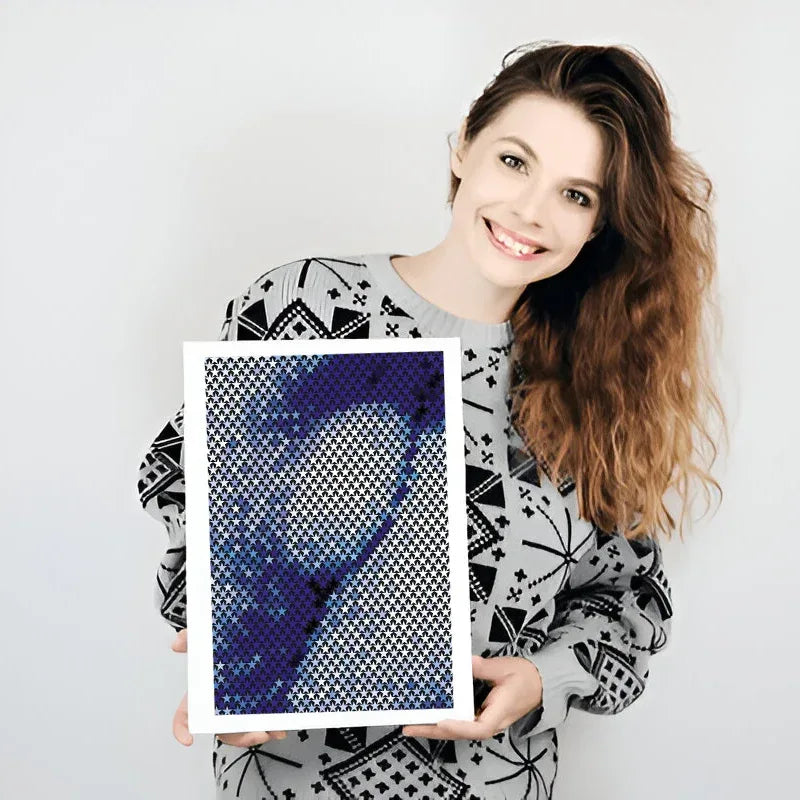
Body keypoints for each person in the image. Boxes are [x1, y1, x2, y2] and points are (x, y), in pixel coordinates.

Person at [137, 41, 725, 799]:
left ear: (598, 227)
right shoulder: (306, 307)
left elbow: (629, 604)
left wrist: (540, 677)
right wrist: (230, 650)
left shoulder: (596, 385)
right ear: (463, 148)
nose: (529, 212)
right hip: (288, 778)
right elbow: (186, 491)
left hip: (491, 781)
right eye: (515, 162)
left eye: (576, 196)